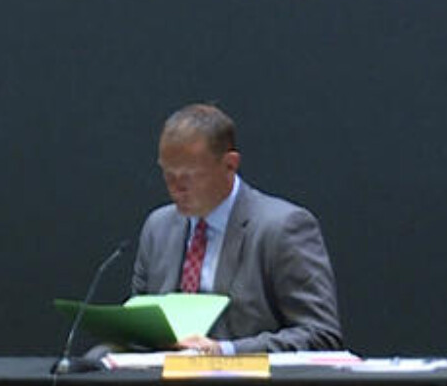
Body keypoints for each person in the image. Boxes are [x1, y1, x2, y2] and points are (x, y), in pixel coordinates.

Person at [130, 103, 343, 354]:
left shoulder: (281, 228)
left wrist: (227, 351)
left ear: (230, 165)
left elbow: (321, 335)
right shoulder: (158, 227)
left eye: (188, 177)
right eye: (168, 176)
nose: (175, 189)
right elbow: (139, 329)